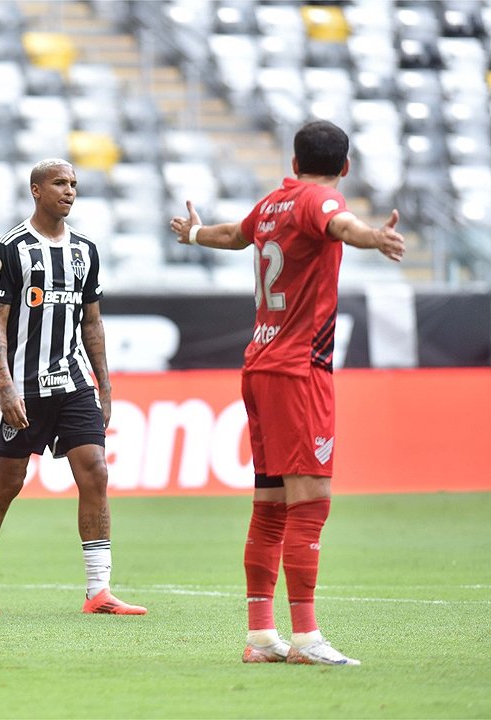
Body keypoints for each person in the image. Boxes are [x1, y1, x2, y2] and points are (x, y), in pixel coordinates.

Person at [169, 120, 405, 666]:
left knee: (271, 505)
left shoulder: (274, 203)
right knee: (311, 503)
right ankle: (305, 637)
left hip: (260, 363)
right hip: (300, 369)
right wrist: (376, 237)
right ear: (345, 168)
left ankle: (260, 636)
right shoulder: (319, 200)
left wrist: (193, 235)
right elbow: (342, 223)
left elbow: (233, 236)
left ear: (294, 160)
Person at [0, 159, 146, 619]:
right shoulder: (11, 248)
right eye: (60, 183)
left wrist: (105, 385)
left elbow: (92, 324)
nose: (70, 190)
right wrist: (6, 386)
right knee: (8, 483)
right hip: (22, 385)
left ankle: (99, 590)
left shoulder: (85, 251)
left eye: (75, 183)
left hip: (74, 381)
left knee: (95, 472)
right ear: (36, 190)